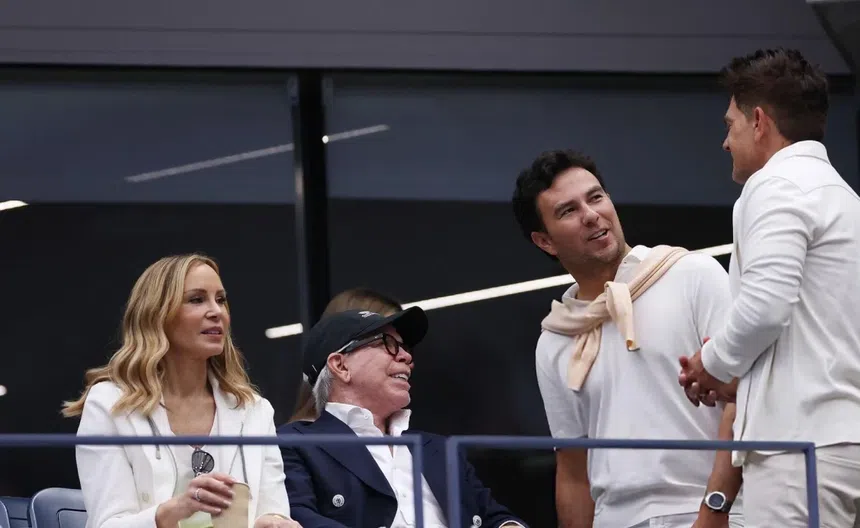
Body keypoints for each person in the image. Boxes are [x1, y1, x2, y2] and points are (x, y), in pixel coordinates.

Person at [512, 150, 743, 528]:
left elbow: (743, 400)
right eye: (568, 211)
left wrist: (714, 510)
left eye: (596, 197)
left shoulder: (691, 274)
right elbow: (573, 472)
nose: (591, 214)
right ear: (545, 241)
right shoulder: (554, 338)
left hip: (714, 512)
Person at [678, 47, 860, 527]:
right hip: (842, 445)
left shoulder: (775, 184)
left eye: (730, 124)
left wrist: (711, 363)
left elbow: (765, 307)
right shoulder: (845, 198)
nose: (725, 141)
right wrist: (738, 376)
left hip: (798, 451)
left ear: (758, 121)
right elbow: (812, 336)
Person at [62, 254, 301, 528]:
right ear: (157, 315)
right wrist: (175, 510)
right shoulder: (109, 404)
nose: (216, 311)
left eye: (221, 300)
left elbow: (273, 510)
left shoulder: (255, 410)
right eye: (197, 300)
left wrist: (273, 522)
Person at [277, 307, 528, 528]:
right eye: (388, 343)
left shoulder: (439, 448)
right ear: (341, 366)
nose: (407, 357)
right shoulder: (295, 444)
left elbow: (494, 516)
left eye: (405, 348)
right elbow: (297, 519)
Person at [287, 288, 403, 424]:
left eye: (403, 346)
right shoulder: (295, 437)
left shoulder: (399, 429)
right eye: (387, 342)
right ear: (339, 363)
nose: (405, 357)